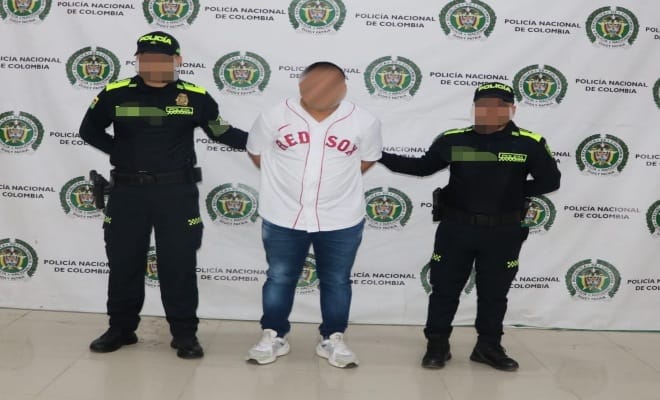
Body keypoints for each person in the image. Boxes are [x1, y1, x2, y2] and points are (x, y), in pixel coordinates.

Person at [79, 31, 248, 359]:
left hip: (176, 194)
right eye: (146, 58)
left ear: (177, 61)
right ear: (138, 60)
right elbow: (89, 130)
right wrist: (121, 153)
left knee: (178, 264)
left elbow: (221, 132)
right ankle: (121, 329)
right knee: (124, 262)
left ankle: (184, 334)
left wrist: (263, 142)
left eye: (161, 58)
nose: (153, 64)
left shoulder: (195, 97)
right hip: (127, 193)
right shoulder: (116, 94)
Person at [379, 82, 560, 371]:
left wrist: (512, 192)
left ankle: (488, 347)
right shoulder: (454, 140)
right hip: (456, 230)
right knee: (444, 290)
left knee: (494, 293)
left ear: (511, 110)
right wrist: (378, 154)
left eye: (498, 106)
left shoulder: (529, 143)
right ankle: (437, 344)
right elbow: (421, 167)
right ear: (474, 108)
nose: (489, 111)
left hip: (503, 233)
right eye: (482, 105)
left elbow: (551, 181)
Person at [245, 61, 382, 368]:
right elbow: (257, 151)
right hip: (283, 214)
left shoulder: (364, 121)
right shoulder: (274, 115)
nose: (323, 91)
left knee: (336, 280)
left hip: (340, 217)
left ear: (344, 87)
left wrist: (334, 186)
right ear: (302, 86)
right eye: (315, 83)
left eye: (331, 84)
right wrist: (283, 184)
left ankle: (332, 338)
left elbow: (367, 158)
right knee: (279, 277)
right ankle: (274, 334)